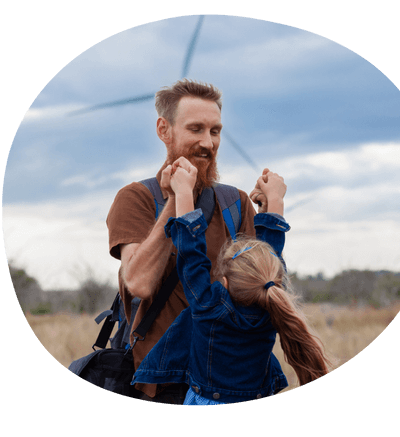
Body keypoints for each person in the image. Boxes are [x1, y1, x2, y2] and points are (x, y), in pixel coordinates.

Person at [106, 79, 265, 403]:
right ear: (164, 130)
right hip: (160, 383)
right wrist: (174, 202)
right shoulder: (137, 198)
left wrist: (271, 211)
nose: (208, 142)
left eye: (216, 131)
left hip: (229, 380)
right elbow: (139, 283)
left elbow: (259, 293)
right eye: (196, 129)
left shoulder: (236, 202)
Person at [132, 162, 330, 405]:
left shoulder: (208, 307)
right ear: (273, 278)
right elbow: (270, 259)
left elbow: (191, 255)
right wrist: (274, 201)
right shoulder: (273, 305)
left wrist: (182, 193)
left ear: (223, 283)